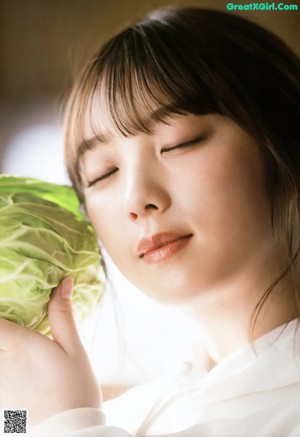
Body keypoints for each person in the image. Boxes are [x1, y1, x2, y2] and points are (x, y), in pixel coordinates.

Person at [1, 6, 300, 436]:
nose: (137, 199)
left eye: (179, 142)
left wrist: (69, 425)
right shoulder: (131, 414)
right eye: (103, 174)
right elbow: (20, 431)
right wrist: (21, 411)